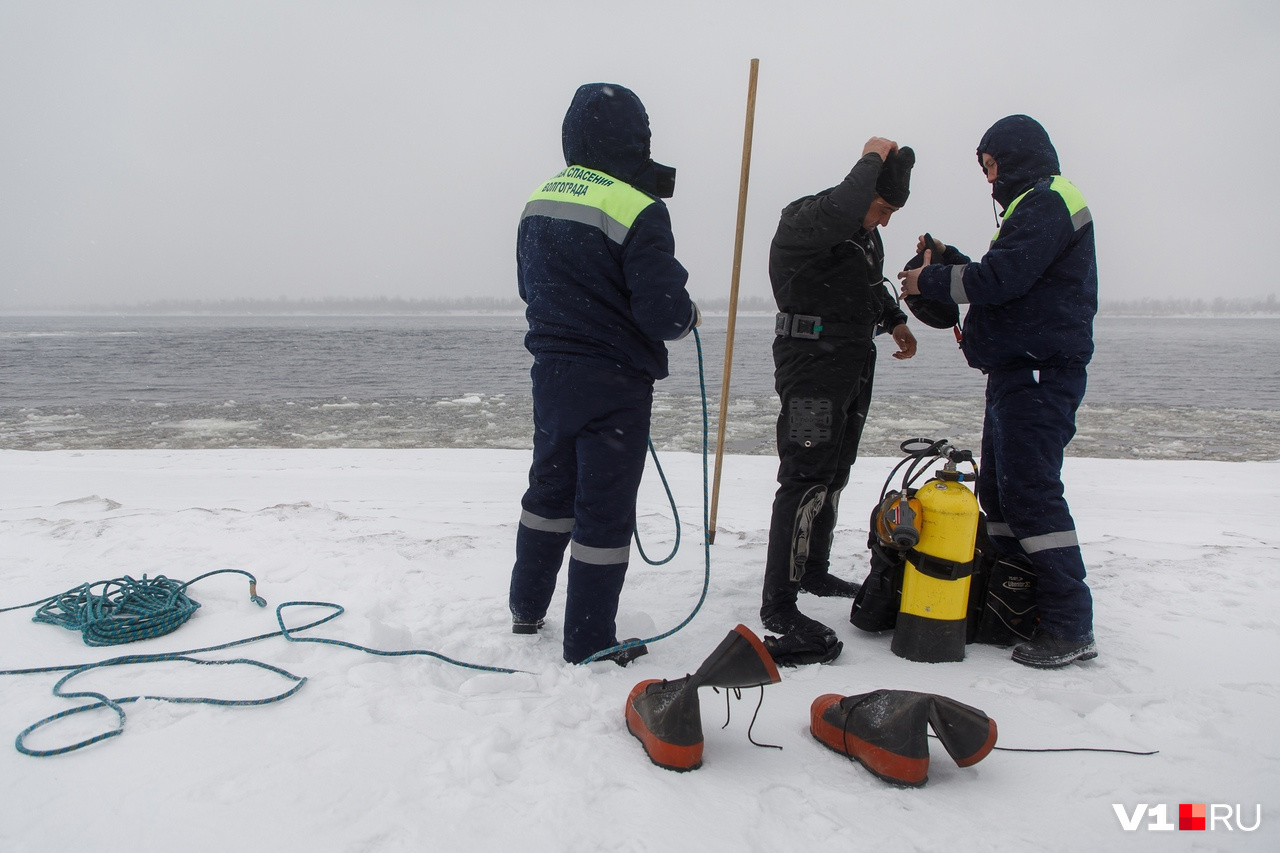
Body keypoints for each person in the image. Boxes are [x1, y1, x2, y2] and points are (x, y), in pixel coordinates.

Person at [508, 83, 700, 666]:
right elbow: (662, 314)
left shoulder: (538, 199)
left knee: (549, 491)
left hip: (553, 374)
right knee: (604, 511)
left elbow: (529, 288)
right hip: (614, 381)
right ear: (634, 139)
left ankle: (526, 608)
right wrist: (686, 313)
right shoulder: (640, 207)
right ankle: (589, 641)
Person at [898, 114, 1098, 669]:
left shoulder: (1047, 201)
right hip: (1018, 371)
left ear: (1010, 158)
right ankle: (1016, 602)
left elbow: (1002, 280)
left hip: (1039, 372)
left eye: (990, 167)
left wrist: (929, 281)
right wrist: (951, 256)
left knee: (1030, 492)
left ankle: (1068, 622)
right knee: (1003, 496)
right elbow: (1006, 277)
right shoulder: (1032, 205)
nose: (988, 180)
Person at [760, 137, 918, 665]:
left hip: (852, 361)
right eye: (881, 207)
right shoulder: (809, 219)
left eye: (894, 212)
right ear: (862, 189)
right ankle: (779, 604)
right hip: (810, 365)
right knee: (805, 475)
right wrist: (872, 156)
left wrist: (894, 322)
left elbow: (870, 284)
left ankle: (814, 570)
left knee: (835, 472)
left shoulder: (865, 236)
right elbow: (842, 209)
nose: (885, 221)